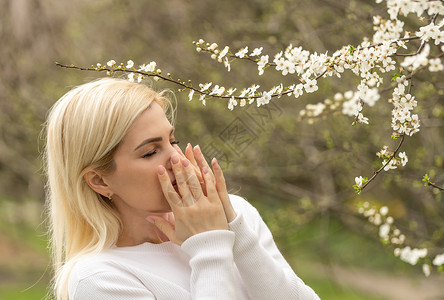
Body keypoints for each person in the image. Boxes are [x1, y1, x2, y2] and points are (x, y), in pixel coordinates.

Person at [44, 77, 320, 300]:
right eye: (150, 152)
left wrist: (236, 232)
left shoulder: (237, 214)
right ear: (100, 181)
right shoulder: (100, 278)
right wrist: (210, 247)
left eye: (172, 140)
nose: (177, 158)